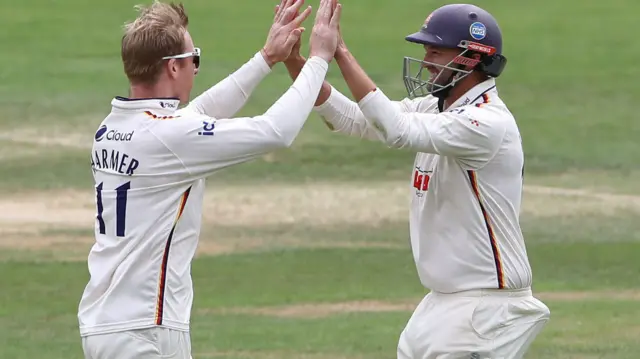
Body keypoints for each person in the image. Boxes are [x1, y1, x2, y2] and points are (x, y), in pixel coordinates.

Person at [77, 0, 342, 358]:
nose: (196, 70)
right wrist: (318, 60)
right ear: (173, 67)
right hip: (144, 327)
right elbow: (275, 131)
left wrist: (266, 58)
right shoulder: (166, 136)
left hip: (108, 322)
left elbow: (195, 115)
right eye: (193, 59)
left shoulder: (112, 127)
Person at [282, 3, 550, 359]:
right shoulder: (436, 108)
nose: (425, 60)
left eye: (435, 51)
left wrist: (340, 53)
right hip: (441, 304)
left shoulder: (487, 123)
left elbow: (396, 130)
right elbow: (354, 120)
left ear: (471, 58)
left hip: (485, 307)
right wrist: (296, 63)